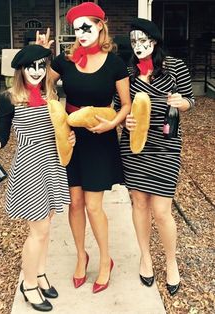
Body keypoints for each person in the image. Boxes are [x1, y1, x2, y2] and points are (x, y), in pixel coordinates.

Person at [36, 2, 131, 293]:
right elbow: (41, 89)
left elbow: (125, 104)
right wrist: (42, 54)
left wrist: (112, 123)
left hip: (100, 137)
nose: (81, 33)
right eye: (76, 29)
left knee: (93, 206)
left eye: (86, 27)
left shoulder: (115, 62)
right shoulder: (66, 60)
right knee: (74, 203)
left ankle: (105, 260)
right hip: (71, 137)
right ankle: (81, 256)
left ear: (101, 25)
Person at [0, 44, 75, 311]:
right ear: (21, 70)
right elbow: (1, 136)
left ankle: (41, 274)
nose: (36, 71)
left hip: (53, 165)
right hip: (30, 169)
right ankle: (29, 284)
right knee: (39, 231)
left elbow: (60, 128)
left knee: (47, 228)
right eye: (30, 67)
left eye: (41, 66)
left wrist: (70, 137)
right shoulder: (9, 97)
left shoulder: (51, 93)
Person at [114, 18, 195, 296]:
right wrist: (125, 123)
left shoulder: (175, 67)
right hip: (135, 149)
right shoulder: (127, 71)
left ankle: (171, 262)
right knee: (139, 204)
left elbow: (190, 100)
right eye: (133, 41)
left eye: (143, 40)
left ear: (155, 40)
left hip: (166, 146)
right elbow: (119, 109)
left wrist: (181, 103)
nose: (138, 46)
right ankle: (145, 257)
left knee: (161, 211)